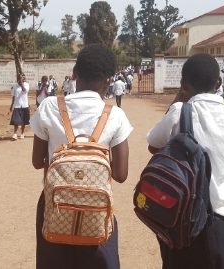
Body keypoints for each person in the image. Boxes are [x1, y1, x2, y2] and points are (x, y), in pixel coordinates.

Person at [30, 44, 133, 269]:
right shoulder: (115, 115)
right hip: (95, 210)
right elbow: (121, 174)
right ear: (109, 79)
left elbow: (37, 161)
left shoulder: (49, 106)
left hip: (54, 205)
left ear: (75, 72)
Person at [146, 53, 224, 269]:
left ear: (184, 85)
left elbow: (153, 145)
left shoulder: (178, 112)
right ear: (219, 83)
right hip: (218, 222)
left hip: (179, 218)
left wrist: (179, 98)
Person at [9, 73, 30, 140]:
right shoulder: (15, 86)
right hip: (17, 105)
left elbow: (25, 91)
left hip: (24, 105)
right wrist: (11, 105)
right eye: (20, 78)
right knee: (16, 121)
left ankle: (22, 133)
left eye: (23, 77)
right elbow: (13, 96)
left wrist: (21, 85)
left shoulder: (26, 85)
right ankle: (15, 134)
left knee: (23, 120)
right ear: (18, 78)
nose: (21, 79)